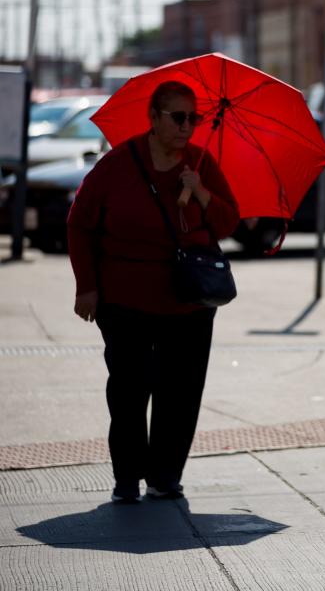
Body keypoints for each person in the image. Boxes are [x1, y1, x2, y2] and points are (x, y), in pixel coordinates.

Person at [67, 81, 239, 504]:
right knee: (128, 389)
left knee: (180, 391)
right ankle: (127, 476)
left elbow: (228, 224)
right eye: (177, 117)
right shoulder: (117, 164)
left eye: (193, 118)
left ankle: (165, 476)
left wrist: (200, 190)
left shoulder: (201, 163)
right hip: (125, 298)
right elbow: (80, 223)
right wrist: (86, 286)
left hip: (189, 300)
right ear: (153, 118)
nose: (187, 127)